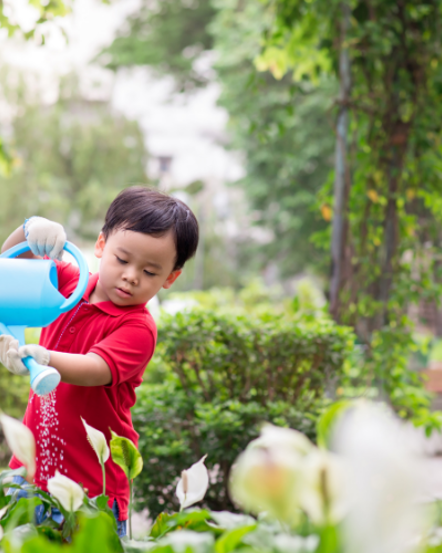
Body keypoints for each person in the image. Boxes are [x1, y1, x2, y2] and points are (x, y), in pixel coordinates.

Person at [0, 186, 199, 536]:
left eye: (150, 272)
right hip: (28, 473)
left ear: (171, 278)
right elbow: (8, 272)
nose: (132, 275)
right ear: (101, 245)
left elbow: (96, 369)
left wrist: (45, 358)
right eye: (123, 259)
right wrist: (29, 231)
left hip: (93, 490)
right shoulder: (69, 282)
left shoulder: (138, 327)